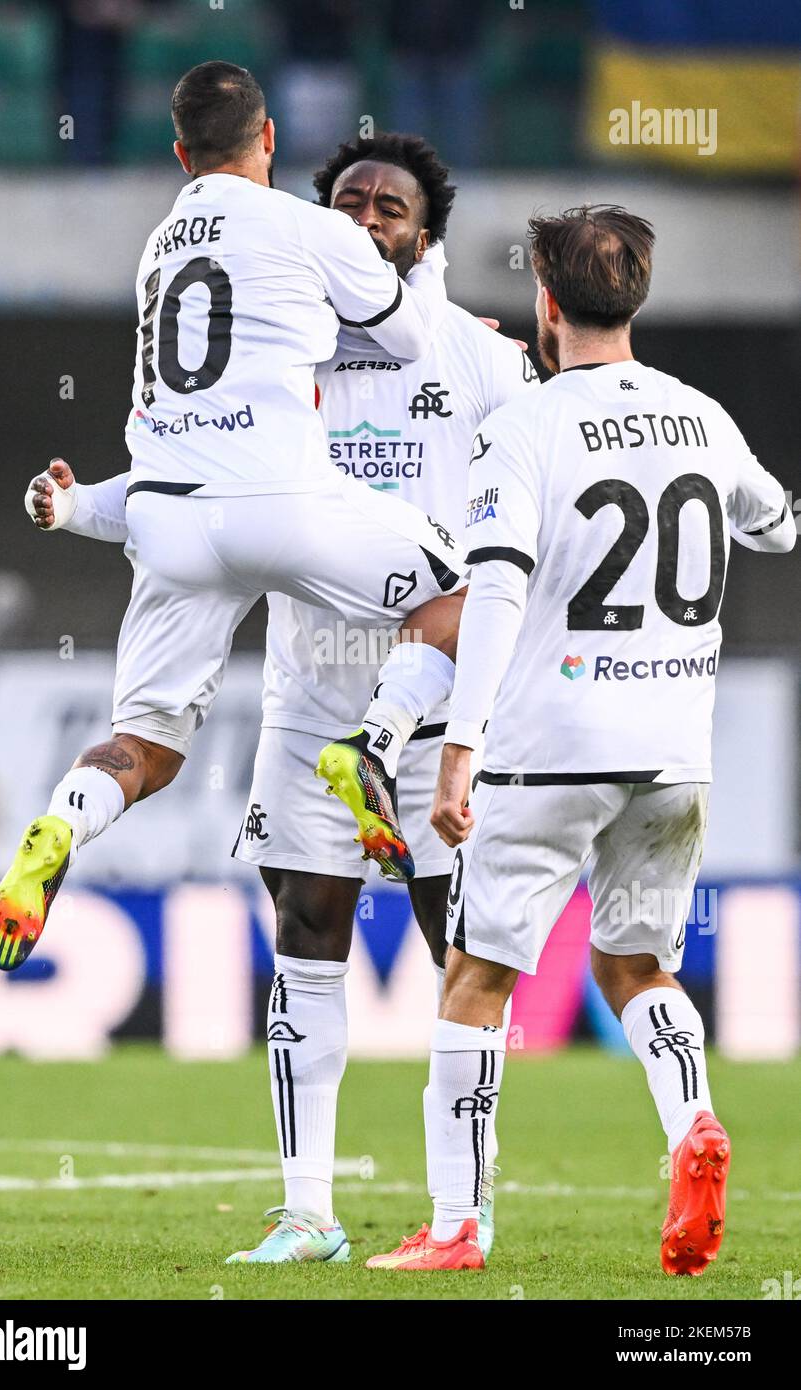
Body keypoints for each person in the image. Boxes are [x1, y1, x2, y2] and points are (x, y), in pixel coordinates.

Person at [24, 131, 539, 1265]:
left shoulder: (480, 359)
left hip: (441, 707)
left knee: (456, 944)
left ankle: (463, 1207)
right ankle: (306, 1209)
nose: (365, 219)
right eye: (348, 200)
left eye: (389, 208)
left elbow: (527, 529)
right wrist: (84, 503)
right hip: (311, 697)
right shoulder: (279, 332)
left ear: (423, 233)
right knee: (306, 933)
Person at [366, 205, 796, 1274]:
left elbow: (498, 582)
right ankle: (689, 1119)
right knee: (634, 962)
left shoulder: (526, 424)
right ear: (635, 301)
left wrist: (456, 739)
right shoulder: (702, 416)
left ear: (544, 306)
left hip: (545, 744)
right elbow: (775, 523)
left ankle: (458, 1227)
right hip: (670, 753)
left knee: (475, 977)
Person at [0, 62, 466, 974]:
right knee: (460, 592)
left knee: (145, 747)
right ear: (270, 140)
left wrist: (76, 504)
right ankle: (370, 751)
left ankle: (60, 821)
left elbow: (177, 446)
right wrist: (429, 265)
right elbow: (407, 336)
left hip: (167, 523)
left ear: (180, 155)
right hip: (284, 506)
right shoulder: (306, 224)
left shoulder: (158, 252)